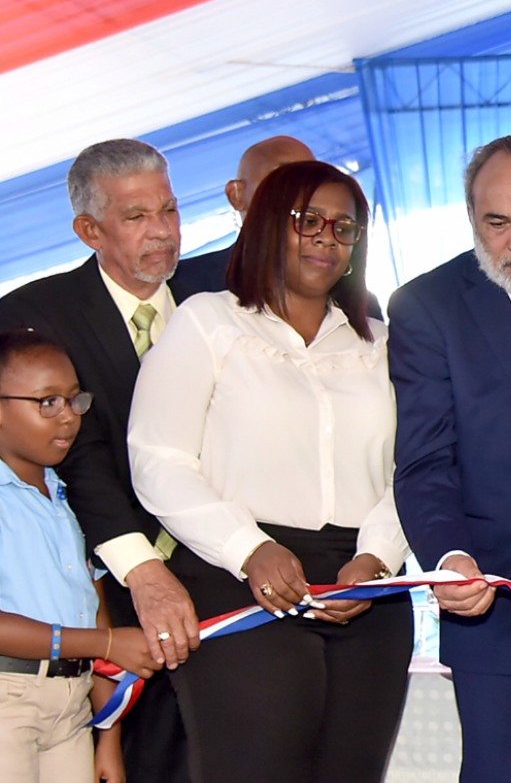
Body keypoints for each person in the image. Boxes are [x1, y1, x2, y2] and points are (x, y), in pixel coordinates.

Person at [127, 161, 412, 783]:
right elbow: (157, 459)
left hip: (363, 583)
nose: (326, 238)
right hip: (240, 575)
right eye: (306, 220)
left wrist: (378, 560)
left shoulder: (382, 345)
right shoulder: (207, 321)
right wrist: (249, 548)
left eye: (344, 227)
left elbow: (409, 471)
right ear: (262, 226)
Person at [389, 134, 511, 783]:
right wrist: (450, 562)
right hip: (495, 603)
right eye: (497, 223)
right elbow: (424, 462)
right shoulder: (427, 306)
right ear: (471, 218)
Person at [0, 138, 196, 782]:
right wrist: (140, 571)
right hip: (114, 584)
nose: (163, 232)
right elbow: (77, 457)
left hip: (225, 575)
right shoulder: (34, 315)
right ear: (89, 229)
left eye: (169, 210)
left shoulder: (216, 297)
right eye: (138, 217)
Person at [0, 330, 162, 783]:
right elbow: (102, 640)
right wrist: (106, 646)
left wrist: (106, 734)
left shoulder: (63, 500)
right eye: (47, 402)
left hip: (71, 709)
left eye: (75, 399)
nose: (69, 417)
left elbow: (93, 608)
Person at [168, 136, 314, 302]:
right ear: (236, 195)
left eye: (313, 182)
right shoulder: (182, 284)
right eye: (283, 180)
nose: (301, 194)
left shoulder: (341, 277)